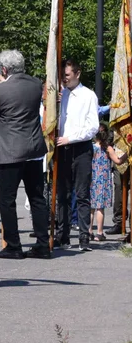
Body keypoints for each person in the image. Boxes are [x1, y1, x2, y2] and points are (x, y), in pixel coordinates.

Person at [0, 49, 51, 259]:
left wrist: (1, 84)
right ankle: (43, 244)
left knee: (6, 199)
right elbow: (18, 97)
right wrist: (5, 81)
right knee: (37, 198)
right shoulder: (35, 85)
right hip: (33, 150)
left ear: (4, 69)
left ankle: (14, 245)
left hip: (10, 152)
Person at [56, 58, 100, 251]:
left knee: (81, 194)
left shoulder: (88, 95)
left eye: (67, 75)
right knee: (62, 195)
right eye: (62, 76)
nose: (64, 79)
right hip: (62, 150)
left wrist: (70, 138)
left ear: (77, 73)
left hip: (81, 149)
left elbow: (93, 127)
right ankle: (62, 236)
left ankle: (84, 237)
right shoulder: (61, 95)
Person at [90, 124, 126, 241]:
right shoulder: (108, 148)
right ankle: (99, 233)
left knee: (91, 207)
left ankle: (88, 231)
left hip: (92, 179)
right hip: (103, 180)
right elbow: (118, 161)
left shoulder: (91, 147)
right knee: (100, 208)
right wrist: (127, 154)